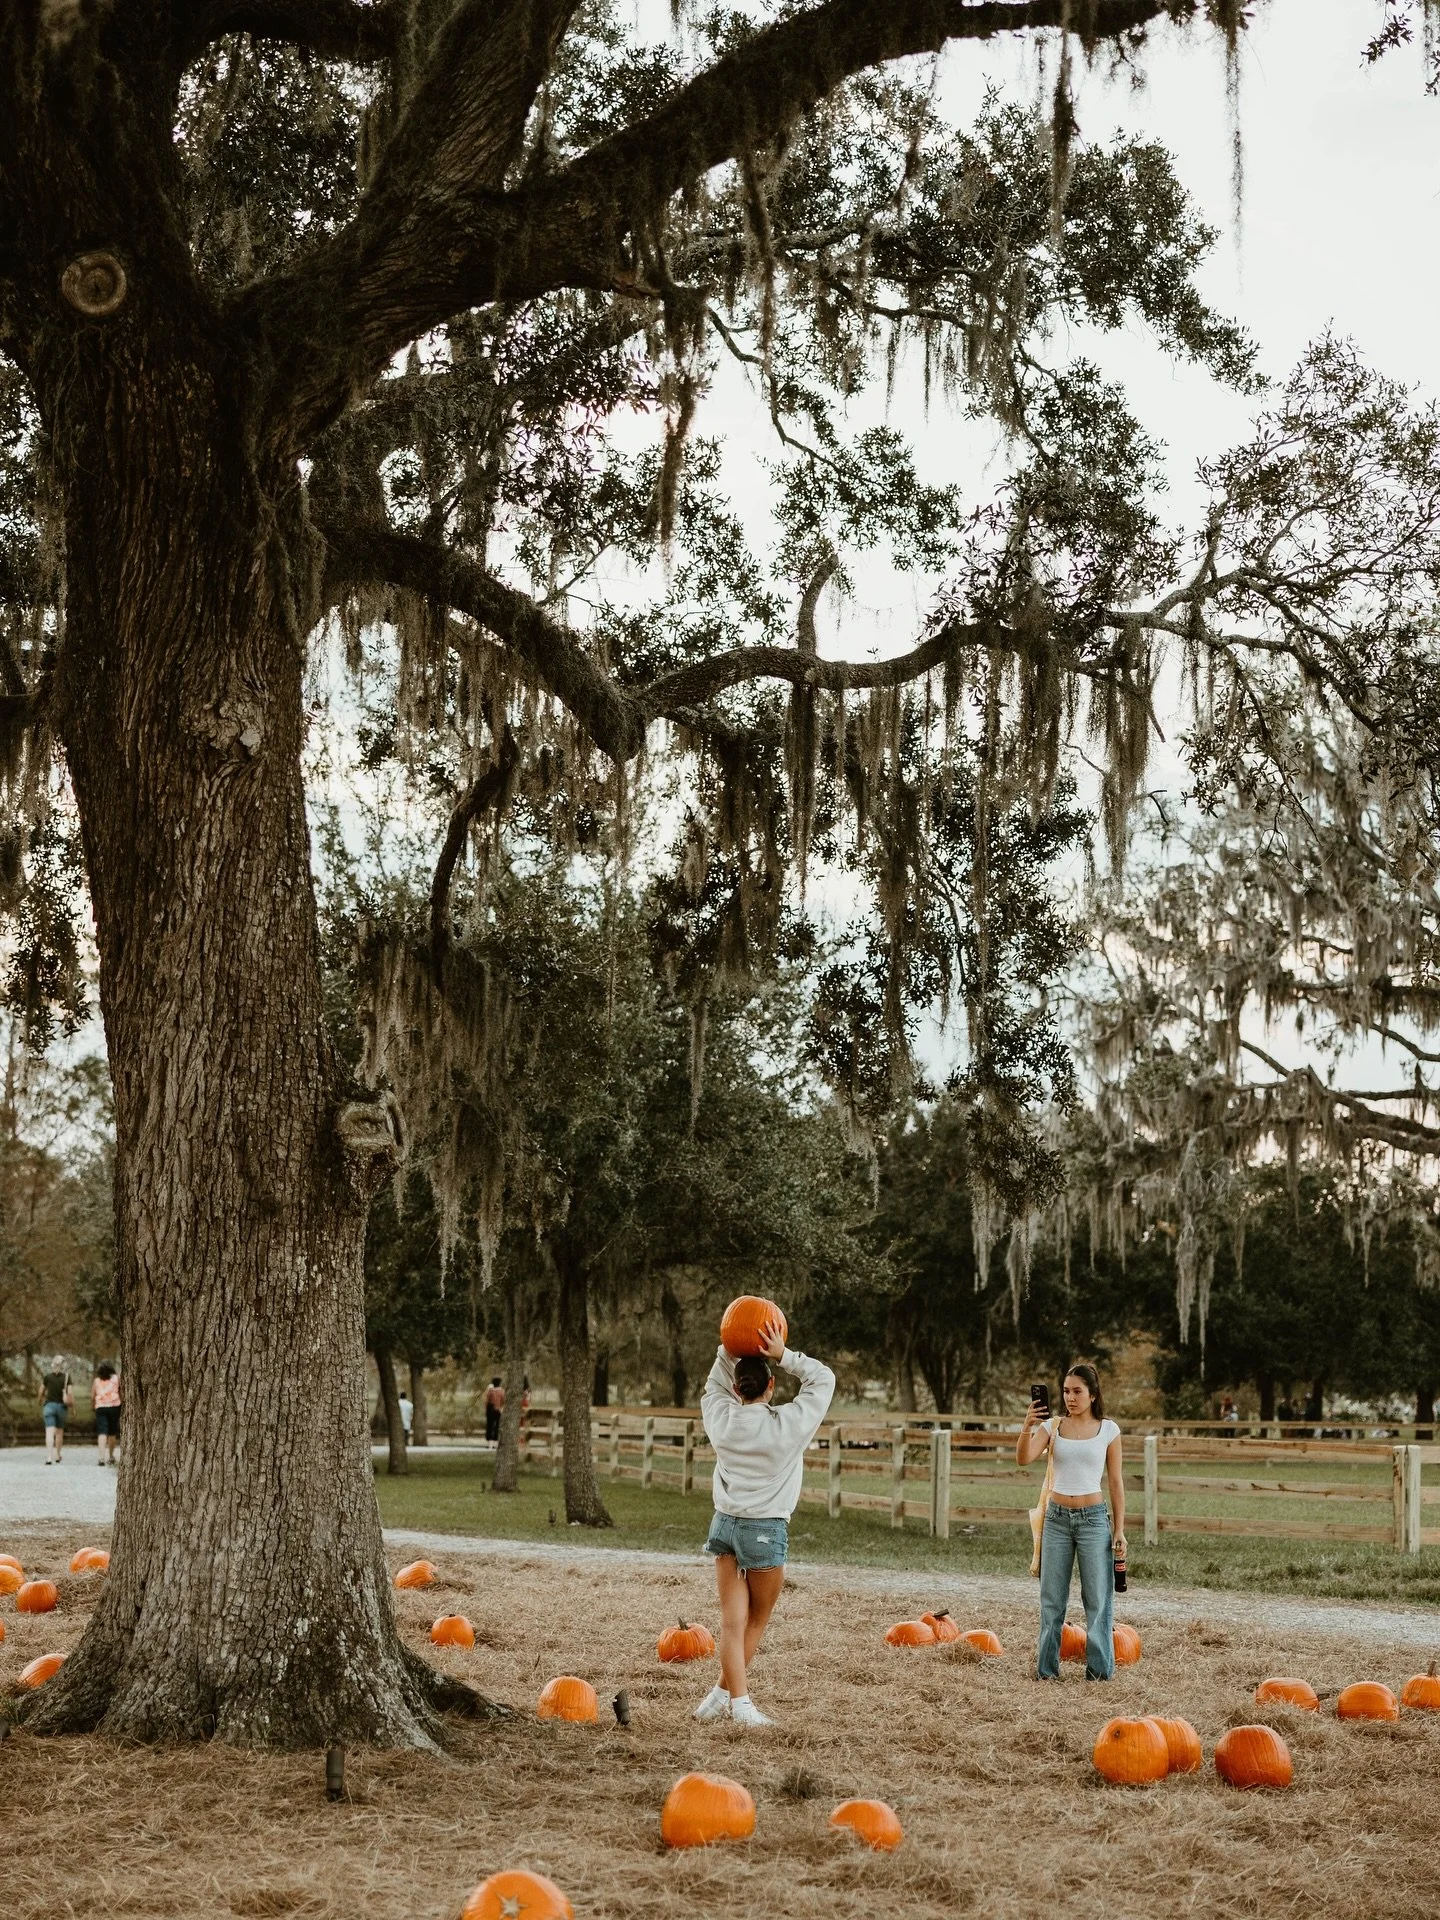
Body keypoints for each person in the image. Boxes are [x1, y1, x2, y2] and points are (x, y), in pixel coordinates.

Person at [694, 1316, 835, 1728]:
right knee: (756, 1619)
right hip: (764, 1530)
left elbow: (712, 1386)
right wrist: (782, 1354)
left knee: (731, 1622)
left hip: (723, 1526)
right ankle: (740, 1705)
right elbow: (822, 1380)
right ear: (771, 1387)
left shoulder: (719, 1417)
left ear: (736, 1388)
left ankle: (720, 1698)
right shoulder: (788, 1426)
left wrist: (729, 1344)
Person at [1017, 1363, 1125, 1682]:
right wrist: (1027, 1425)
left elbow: (1116, 1483)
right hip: (1057, 1520)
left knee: (1098, 1599)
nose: (1070, 1397)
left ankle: (1099, 1672)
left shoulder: (1109, 1430)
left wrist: (1119, 1530)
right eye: (1066, 1391)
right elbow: (1024, 1459)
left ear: (1092, 1395)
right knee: (1052, 1599)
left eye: (1077, 1391)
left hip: (1093, 1521)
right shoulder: (1053, 1426)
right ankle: (1047, 1671)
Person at [40, 1355, 74, 1465]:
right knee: (59, 1432)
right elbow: (70, 1394)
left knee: (49, 1432)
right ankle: (57, 1455)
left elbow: (41, 1391)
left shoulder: (47, 1377)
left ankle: (49, 1457)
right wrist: (72, 1407)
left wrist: (40, 1400)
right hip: (61, 1407)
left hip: (49, 1406)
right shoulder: (67, 1378)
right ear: (63, 1365)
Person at [92, 1361, 121, 1466]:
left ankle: (101, 1457)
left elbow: (93, 1395)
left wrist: (93, 1406)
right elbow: (120, 1391)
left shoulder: (97, 1381)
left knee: (102, 1432)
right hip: (114, 1406)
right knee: (112, 1432)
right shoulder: (116, 1379)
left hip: (101, 1407)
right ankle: (111, 1455)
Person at [484, 1377, 505, 1445]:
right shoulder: (502, 1391)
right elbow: (503, 1401)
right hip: (498, 1410)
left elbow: (486, 1401)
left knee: (489, 1426)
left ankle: (489, 1443)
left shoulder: (490, 1391)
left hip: (490, 1409)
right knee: (497, 1426)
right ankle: (495, 1443)